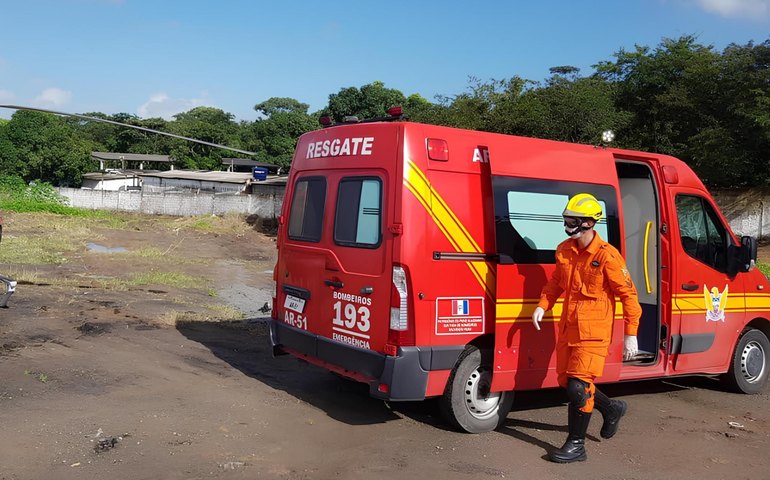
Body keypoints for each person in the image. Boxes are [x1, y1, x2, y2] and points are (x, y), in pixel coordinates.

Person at [532, 193, 641, 463]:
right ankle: (612, 408)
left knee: (578, 387)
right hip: (569, 328)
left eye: (573, 220)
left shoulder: (607, 256)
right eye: (566, 218)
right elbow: (556, 283)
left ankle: (576, 445)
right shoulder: (564, 250)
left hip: (594, 332)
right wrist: (542, 305)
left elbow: (629, 295)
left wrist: (631, 334)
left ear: (590, 223)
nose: (567, 223)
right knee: (567, 383)